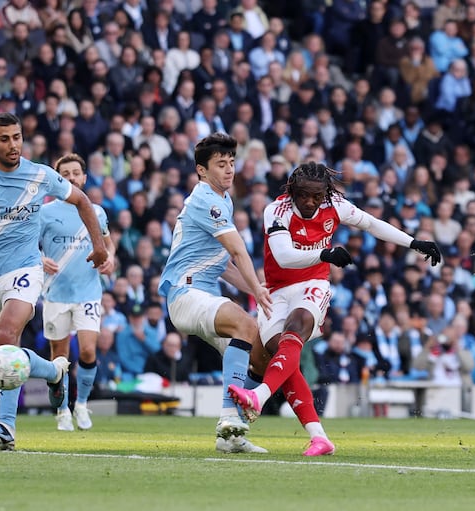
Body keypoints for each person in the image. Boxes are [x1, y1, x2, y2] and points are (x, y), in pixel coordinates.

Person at [228, 161, 441, 456]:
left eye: (316, 196)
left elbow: (370, 223)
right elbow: (284, 255)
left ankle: (259, 396)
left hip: (313, 285)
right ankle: (319, 437)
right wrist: (325, 253)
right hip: (275, 292)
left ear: (325, 193)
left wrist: (414, 242)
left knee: (298, 325)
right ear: (292, 191)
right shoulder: (276, 210)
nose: (309, 202)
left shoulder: (335, 204)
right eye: (303, 195)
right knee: (283, 357)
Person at [0, 112, 108, 451]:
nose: (13, 145)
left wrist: (99, 246)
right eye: (4, 139)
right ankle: (53, 372)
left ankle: (5, 426)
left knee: (8, 337)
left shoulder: (39, 174)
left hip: (26, 268)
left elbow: (81, 201)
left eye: (17, 137)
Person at [158, 132, 273, 454]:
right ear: (201, 170)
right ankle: (227, 417)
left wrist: (256, 288)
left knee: (262, 355)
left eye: (232, 163)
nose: (229, 170)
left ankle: (231, 436)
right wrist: (257, 291)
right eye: (221, 164)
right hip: (186, 293)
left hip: (205, 293)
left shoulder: (223, 199)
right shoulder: (205, 201)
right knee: (247, 325)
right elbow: (237, 251)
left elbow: (222, 265)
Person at [39, 153, 115, 432]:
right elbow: (26, 245)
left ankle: (81, 405)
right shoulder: (44, 212)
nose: (71, 178)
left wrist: (111, 259)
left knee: (87, 350)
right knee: (59, 358)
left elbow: (108, 243)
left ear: (84, 177)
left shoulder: (96, 212)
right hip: (55, 293)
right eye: (65, 174)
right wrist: (39, 259)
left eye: (75, 173)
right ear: (59, 179)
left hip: (88, 293)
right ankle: (61, 410)